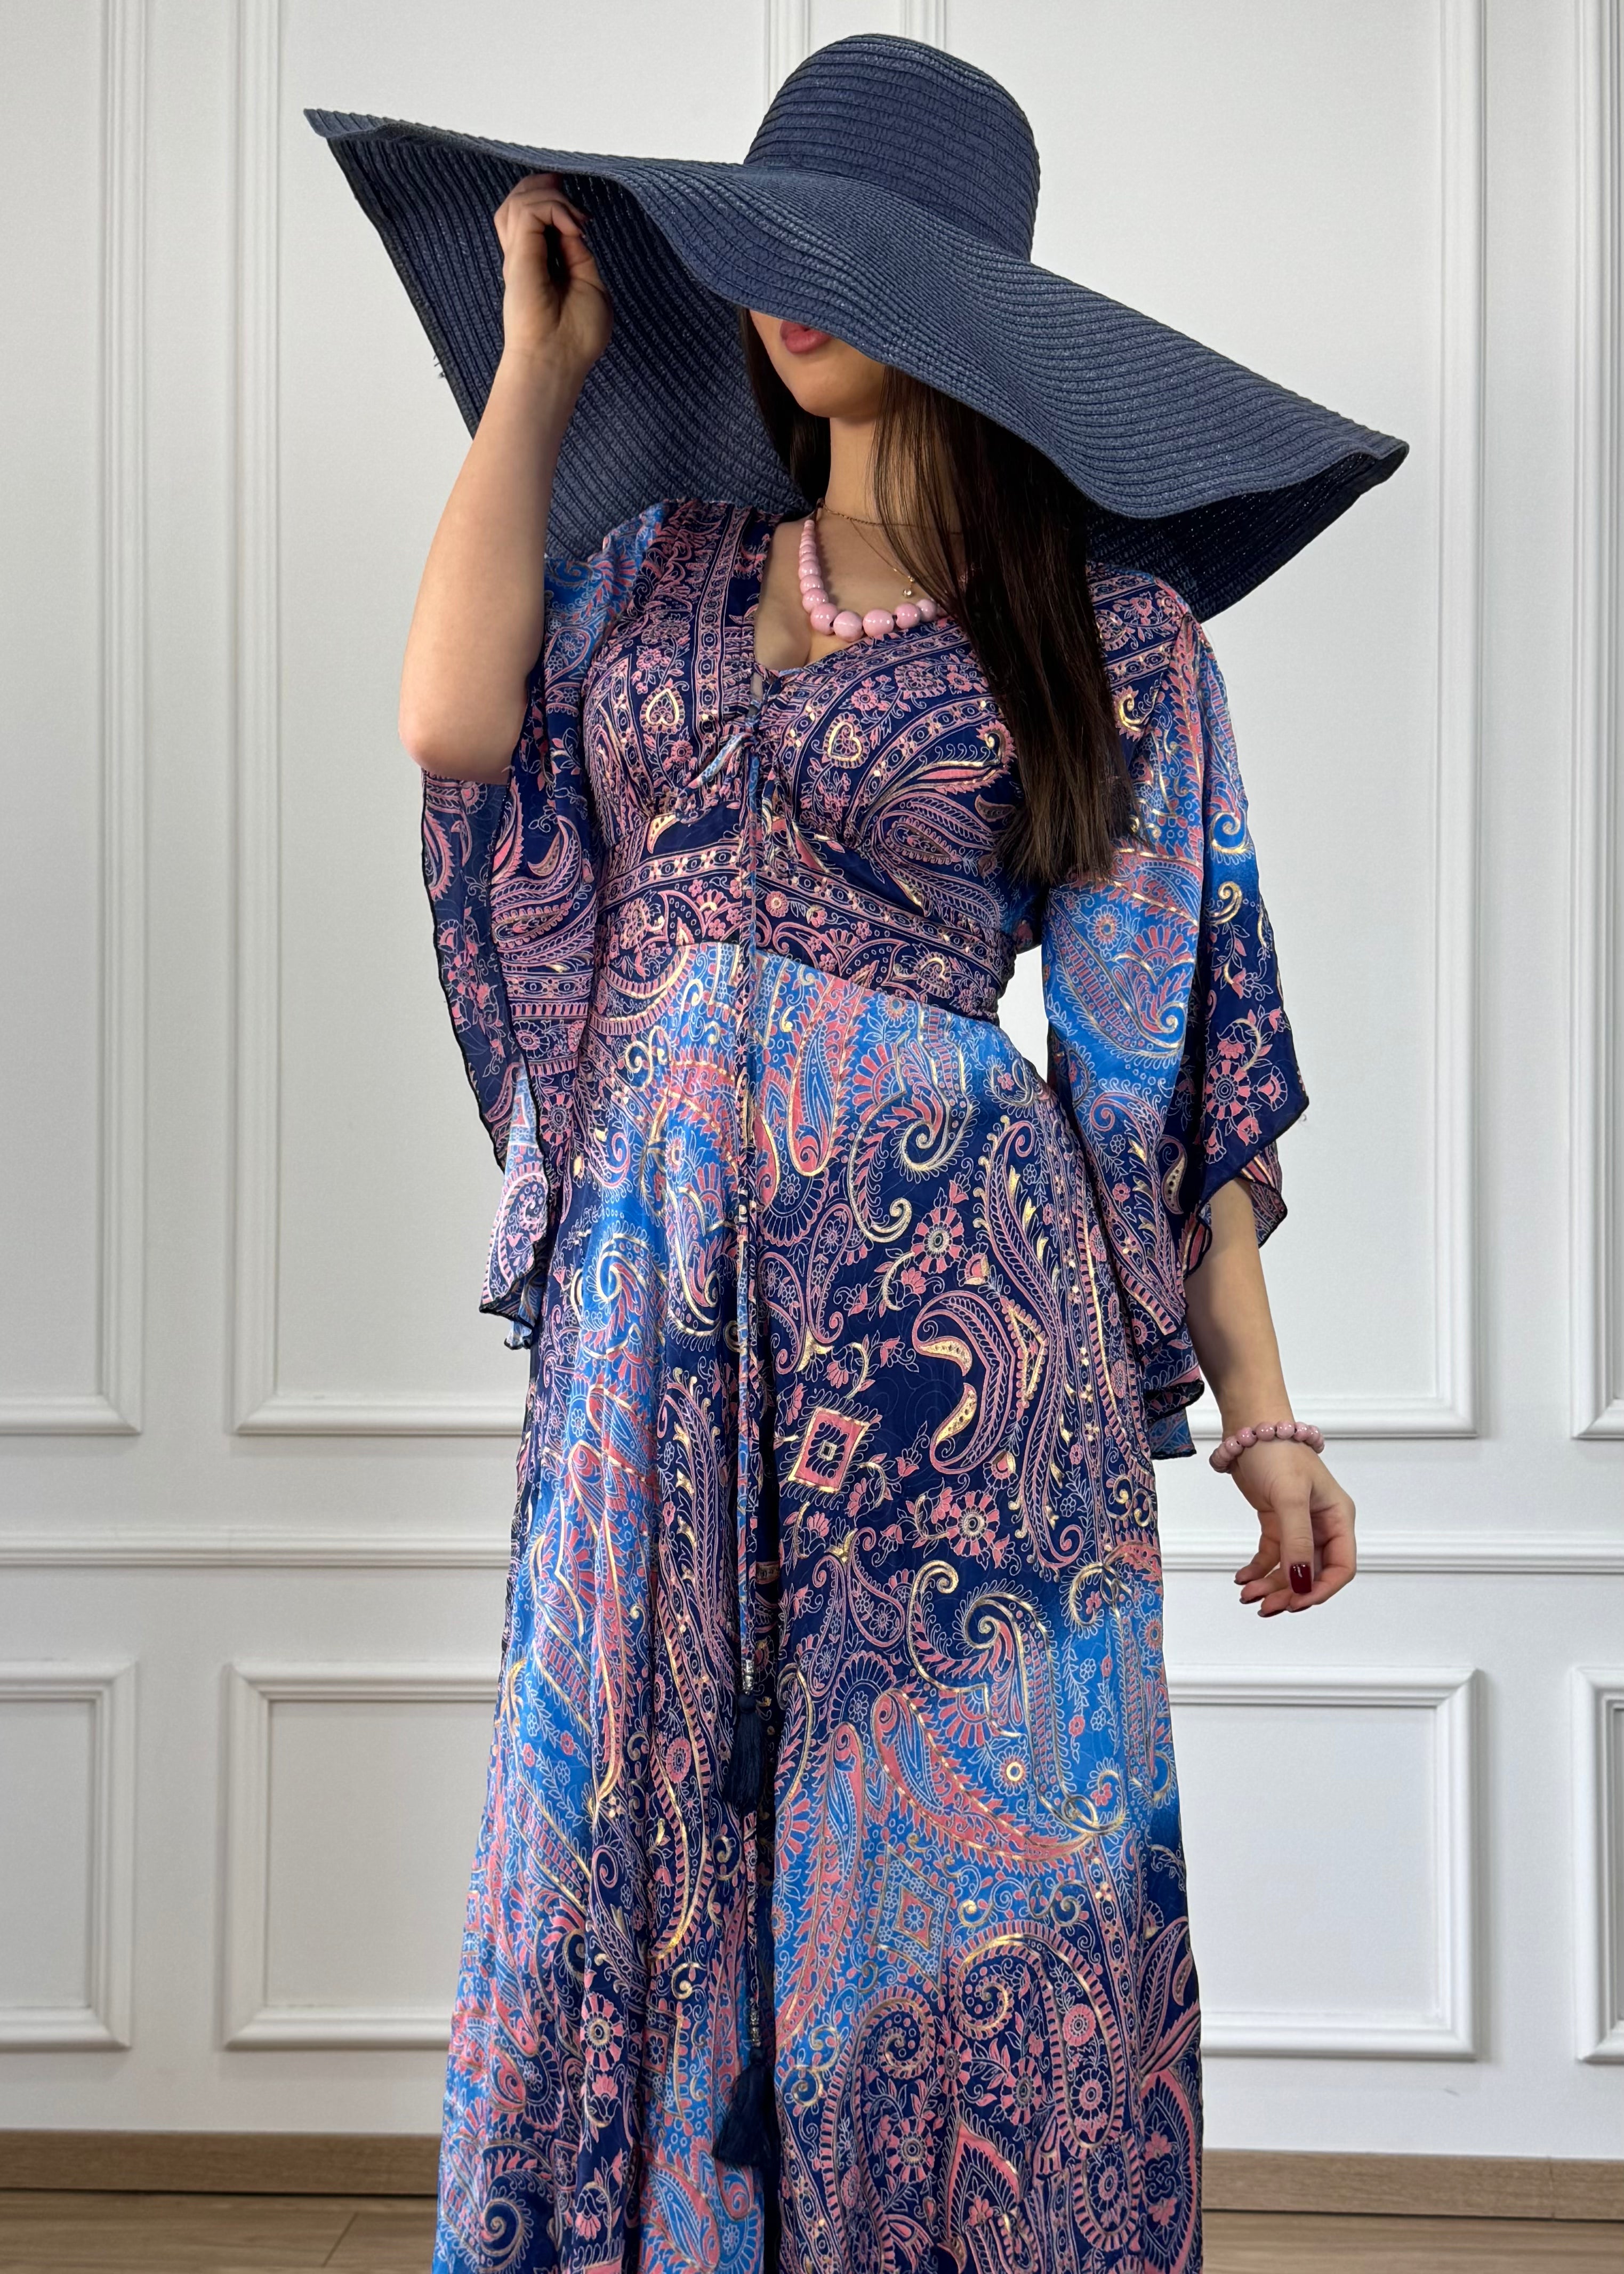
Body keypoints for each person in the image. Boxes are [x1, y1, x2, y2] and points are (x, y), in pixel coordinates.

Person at [310, 34, 1403, 2274]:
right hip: (656, 1319)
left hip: (961, 1355)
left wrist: (1268, 1421)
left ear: (966, 311)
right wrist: (536, 378)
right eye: (767, 244)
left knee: (942, 1893)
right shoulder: (651, 568)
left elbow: (1167, 1061)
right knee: (621, 1829)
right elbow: (447, 719)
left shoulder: (1111, 633)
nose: (790, 290)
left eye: (856, 257)